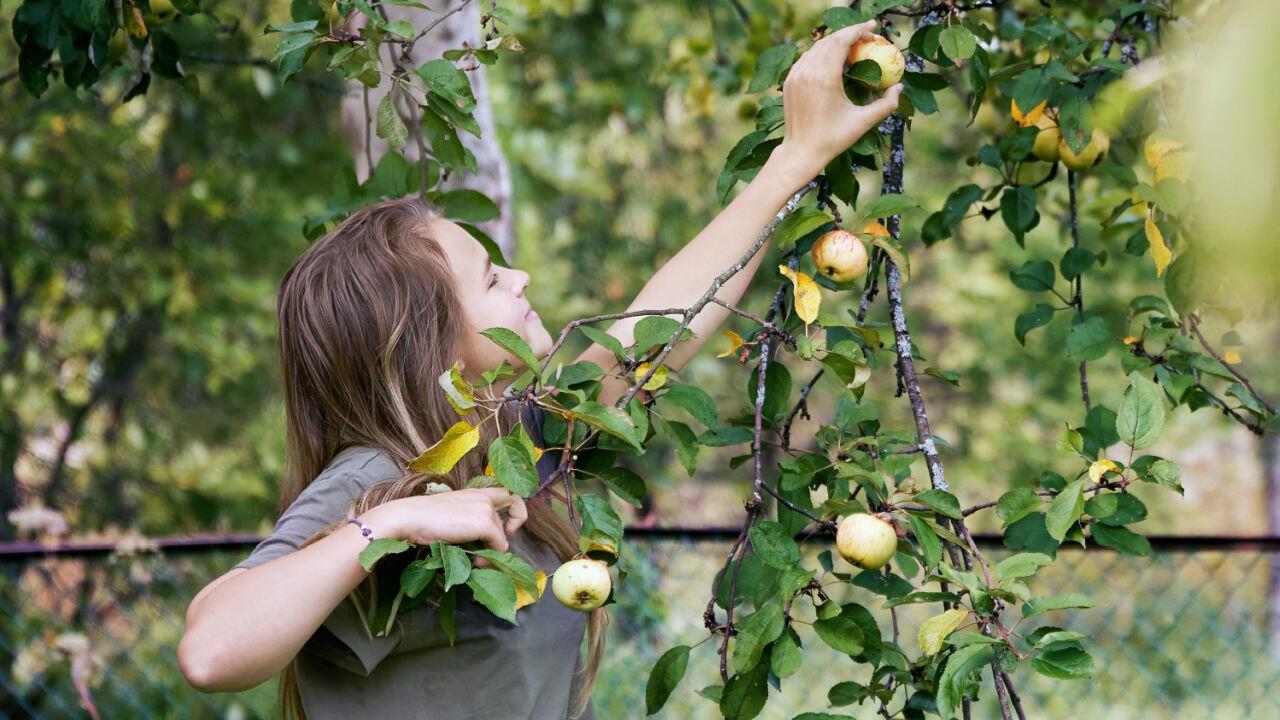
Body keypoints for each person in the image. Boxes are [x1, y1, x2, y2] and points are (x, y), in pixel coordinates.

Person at [177, 19, 902, 719]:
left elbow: (656, 335)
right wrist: (394, 521)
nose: (520, 278)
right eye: (491, 279)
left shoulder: (511, 451)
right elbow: (212, 650)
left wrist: (798, 157)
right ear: (423, 342)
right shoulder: (374, 479)